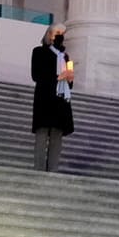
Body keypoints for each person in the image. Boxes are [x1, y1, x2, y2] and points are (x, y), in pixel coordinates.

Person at [30, 23, 75, 172]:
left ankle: (53, 171)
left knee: (57, 137)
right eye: (57, 32)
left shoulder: (66, 57)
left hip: (60, 101)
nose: (60, 36)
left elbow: (70, 83)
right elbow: (36, 75)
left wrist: (69, 79)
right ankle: (39, 170)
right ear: (49, 34)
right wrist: (58, 77)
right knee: (42, 136)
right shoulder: (38, 52)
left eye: (63, 33)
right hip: (44, 99)